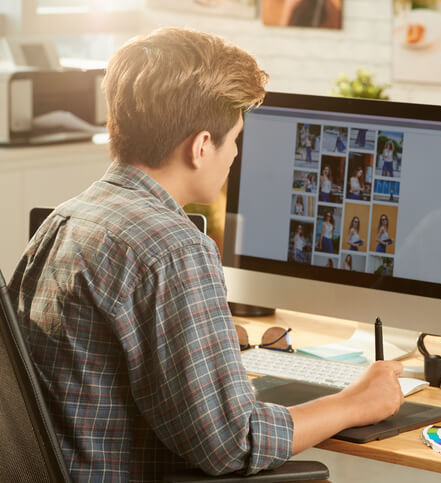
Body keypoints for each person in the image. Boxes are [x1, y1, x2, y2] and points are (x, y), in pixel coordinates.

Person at [8, 27, 403, 481]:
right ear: (200, 146)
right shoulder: (174, 248)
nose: (235, 152)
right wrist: (355, 403)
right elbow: (231, 444)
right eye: (234, 137)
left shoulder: (66, 220)